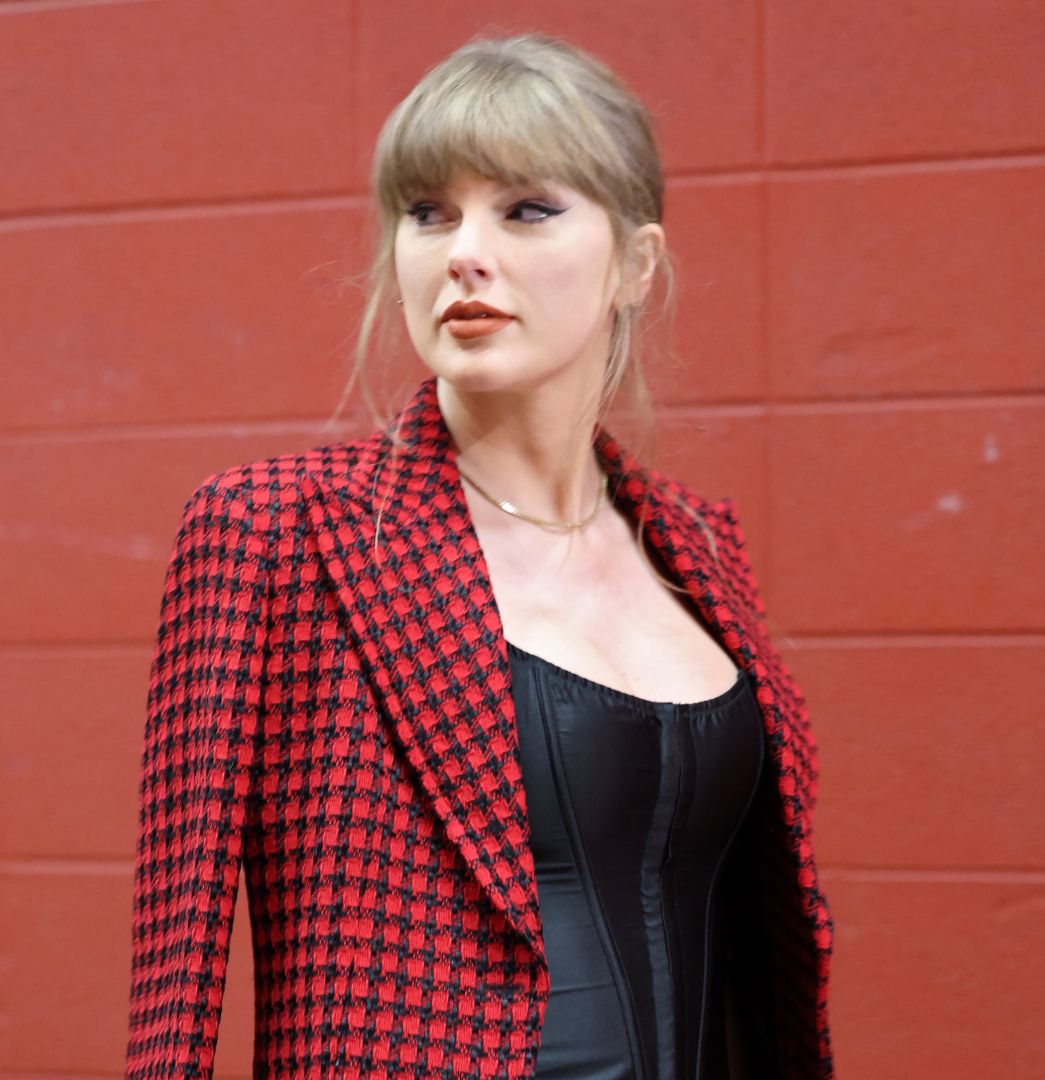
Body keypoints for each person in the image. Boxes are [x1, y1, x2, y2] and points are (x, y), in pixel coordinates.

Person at [124, 31, 834, 1080]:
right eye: (427, 212)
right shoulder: (280, 533)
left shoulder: (699, 547)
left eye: (526, 209)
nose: (464, 250)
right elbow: (174, 974)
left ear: (637, 264)